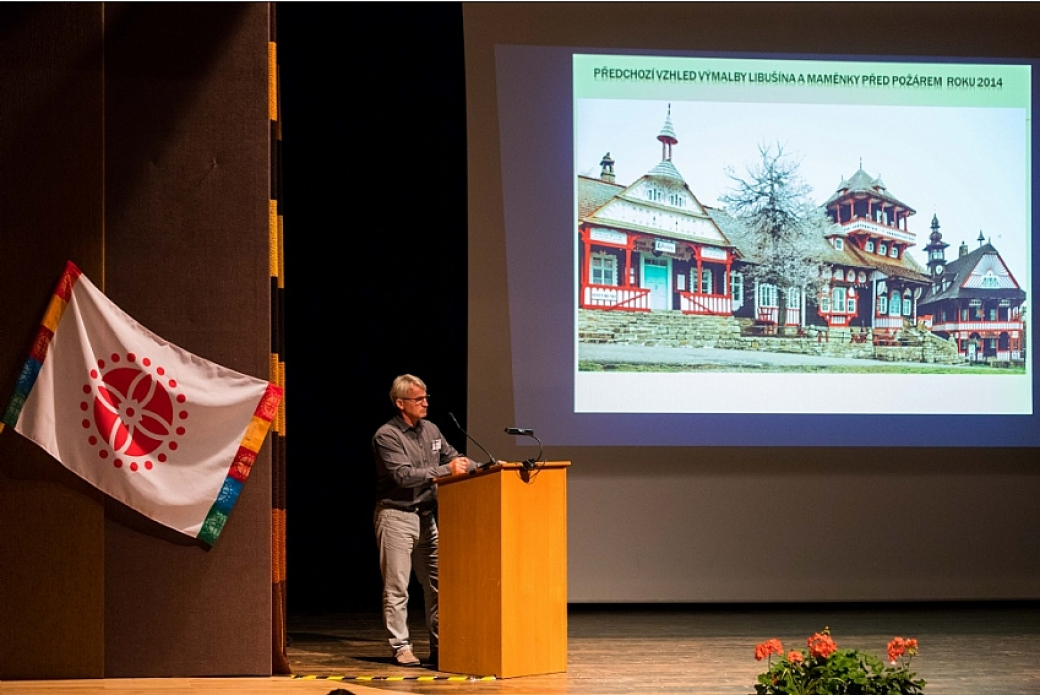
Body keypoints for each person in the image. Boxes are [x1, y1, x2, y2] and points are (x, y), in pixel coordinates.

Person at [372, 374, 475, 668]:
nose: (426, 403)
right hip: (396, 516)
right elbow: (403, 476)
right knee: (397, 587)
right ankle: (401, 646)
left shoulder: (431, 429)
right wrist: (446, 470)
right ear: (400, 403)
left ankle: (441, 645)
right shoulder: (386, 436)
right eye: (419, 399)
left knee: (438, 585)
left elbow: (456, 460)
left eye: (426, 397)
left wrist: (491, 467)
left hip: (427, 518)